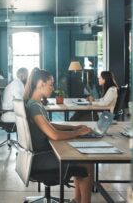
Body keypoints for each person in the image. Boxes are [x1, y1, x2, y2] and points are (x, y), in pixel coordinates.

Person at [24, 68, 93, 203]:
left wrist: (73, 127)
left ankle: (77, 200)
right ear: (41, 84)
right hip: (40, 159)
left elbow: (50, 125)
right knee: (86, 162)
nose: (53, 88)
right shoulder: (34, 107)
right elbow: (54, 135)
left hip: (39, 154)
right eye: (51, 84)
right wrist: (77, 133)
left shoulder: (34, 104)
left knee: (80, 157)